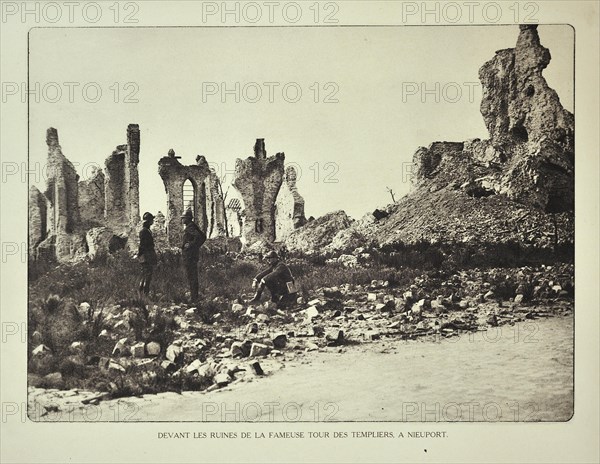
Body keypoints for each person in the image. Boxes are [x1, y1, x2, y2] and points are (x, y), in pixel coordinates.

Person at [181, 209, 206, 302]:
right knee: (192, 277)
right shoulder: (191, 226)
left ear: (188, 218)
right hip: (190, 256)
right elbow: (202, 237)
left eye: (183, 218)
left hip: (190, 256)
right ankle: (194, 297)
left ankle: (194, 298)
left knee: (192, 277)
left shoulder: (190, 227)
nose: (182, 220)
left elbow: (201, 237)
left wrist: (190, 245)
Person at [138, 212, 158, 295]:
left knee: (146, 275)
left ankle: (143, 293)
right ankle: (144, 293)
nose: (153, 221)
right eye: (151, 220)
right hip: (146, 256)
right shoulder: (144, 232)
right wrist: (142, 255)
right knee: (146, 276)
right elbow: (143, 245)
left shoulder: (146, 231)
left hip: (147, 256)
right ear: (148, 221)